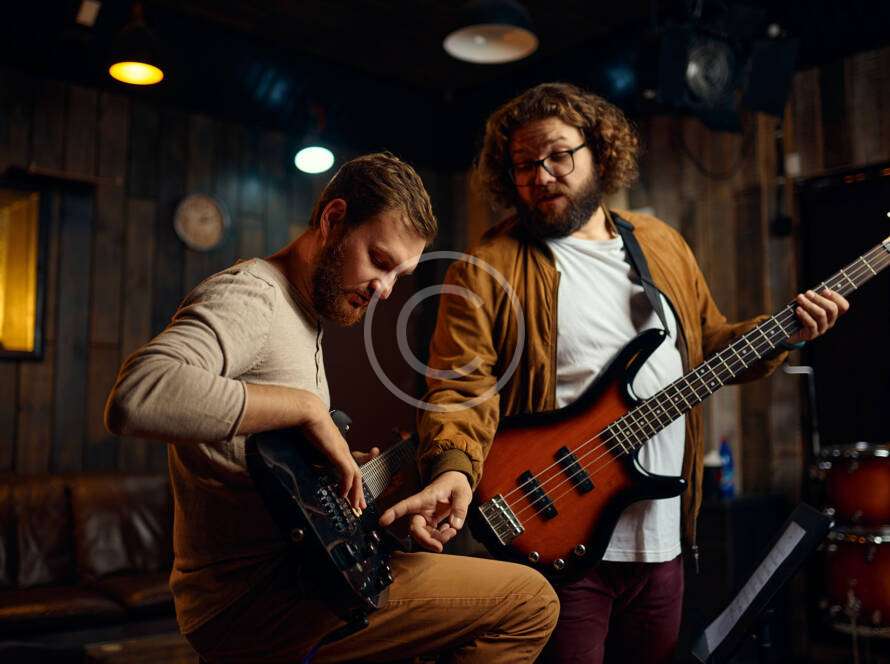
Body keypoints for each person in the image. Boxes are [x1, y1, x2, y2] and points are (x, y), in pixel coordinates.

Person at [381, 84, 848, 664]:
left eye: (558, 155)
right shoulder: (488, 263)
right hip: (556, 534)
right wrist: (453, 467)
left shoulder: (660, 244)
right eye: (523, 165)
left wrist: (786, 330)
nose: (542, 176)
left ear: (598, 151)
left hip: (663, 538)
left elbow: (707, 345)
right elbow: (460, 386)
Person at [105, 152, 559, 663]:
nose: (384, 290)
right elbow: (138, 395)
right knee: (531, 601)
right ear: (332, 218)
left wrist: (346, 483)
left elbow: (266, 466)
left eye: (398, 276)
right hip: (257, 602)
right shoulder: (253, 296)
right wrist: (306, 409)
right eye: (380, 262)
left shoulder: (307, 315)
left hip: (300, 578)